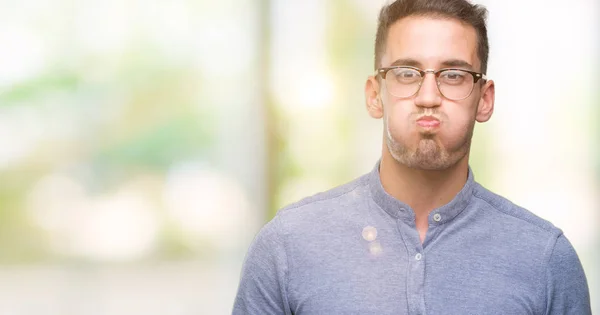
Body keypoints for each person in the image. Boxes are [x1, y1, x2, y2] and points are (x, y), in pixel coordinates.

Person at [232, 0, 592, 314]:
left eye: (453, 75)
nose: (428, 96)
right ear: (375, 95)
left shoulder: (546, 258)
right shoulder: (287, 245)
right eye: (407, 73)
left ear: (484, 100)